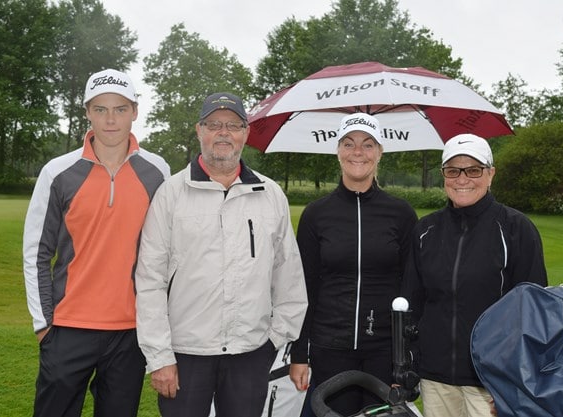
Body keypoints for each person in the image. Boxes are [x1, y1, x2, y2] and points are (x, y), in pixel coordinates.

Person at [134, 92, 308, 417]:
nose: (223, 132)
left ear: (245, 133)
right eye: (214, 124)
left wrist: (274, 339)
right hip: (185, 355)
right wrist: (159, 357)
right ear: (200, 130)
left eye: (233, 125)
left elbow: (289, 276)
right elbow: (149, 281)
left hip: (250, 353)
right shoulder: (171, 194)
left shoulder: (270, 195)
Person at [23, 68, 170, 417]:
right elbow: (36, 253)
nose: (110, 119)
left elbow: (168, 251)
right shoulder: (58, 171)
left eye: (120, 109)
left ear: (135, 111)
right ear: (87, 112)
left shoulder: (157, 170)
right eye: (100, 109)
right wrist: (44, 324)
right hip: (68, 326)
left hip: (130, 331)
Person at [400, 133, 548, 417]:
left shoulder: (516, 228)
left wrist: (514, 382)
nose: (462, 179)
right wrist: (409, 363)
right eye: (453, 170)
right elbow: (412, 303)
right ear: (444, 175)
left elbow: (534, 313)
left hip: (492, 380)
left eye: (474, 170)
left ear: (490, 174)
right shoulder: (425, 230)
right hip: (436, 378)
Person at [289, 112, 418, 417]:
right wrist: (299, 353)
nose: (357, 151)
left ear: (380, 153)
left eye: (367, 144)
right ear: (338, 151)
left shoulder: (401, 214)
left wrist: (410, 356)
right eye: (348, 143)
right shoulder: (316, 214)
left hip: (385, 352)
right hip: (330, 347)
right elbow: (304, 286)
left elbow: (412, 287)